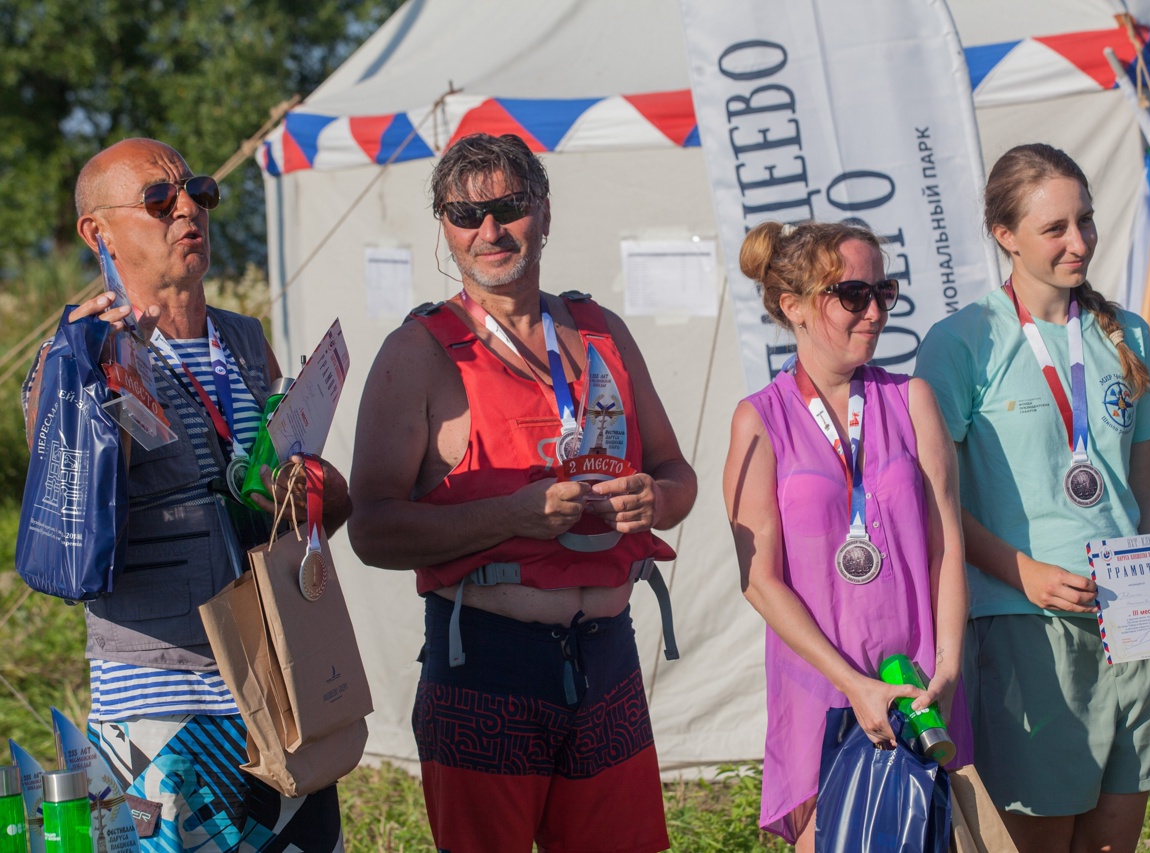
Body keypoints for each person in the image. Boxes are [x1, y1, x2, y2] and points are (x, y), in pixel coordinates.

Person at [347, 132, 697, 853]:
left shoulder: (601, 332)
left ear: (544, 211)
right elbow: (371, 530)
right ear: (444, 227)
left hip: (607, 656)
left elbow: (676, 473)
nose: (489, 230)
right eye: (464, 214)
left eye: (508, 207)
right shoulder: (418, 352)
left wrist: (656, 502)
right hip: (487, 663)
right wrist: (509, 516)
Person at [22, 138, 353, 851]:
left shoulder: (244, 341)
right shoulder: (74, 357)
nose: (186, 209)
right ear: (97, 232)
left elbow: (281, 495)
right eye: (158, 199)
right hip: (162, 697)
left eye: (197, 191)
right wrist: (102, 375)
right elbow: (69, 509)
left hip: (279, 679)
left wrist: (305, 489)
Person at [914, 143, 1150, 853]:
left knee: (1114, 838)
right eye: (1055, 228)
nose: (1078, 242)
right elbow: (931, 499)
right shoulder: (961, 342)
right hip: (1024, 625)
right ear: (1005, 235)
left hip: (1134, 619)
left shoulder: (1127, 333)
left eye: (1085, 220)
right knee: (1040, 837)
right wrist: (1019, 569)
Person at [722, 221, 971, 850]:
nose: (875, 312)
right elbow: (759, 580)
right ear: (794, 305)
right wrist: (855, 685)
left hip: (920, 683)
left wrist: (947, 668)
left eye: (883, 292)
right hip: (823, 692)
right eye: (853, 295)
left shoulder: (911, 399)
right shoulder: (760, 419)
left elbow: (946, 548)